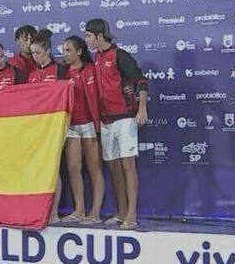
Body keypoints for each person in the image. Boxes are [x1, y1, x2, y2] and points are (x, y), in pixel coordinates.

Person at [84, 18, 148, 230]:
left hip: (125, 117)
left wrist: (142, 109)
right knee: (114, 167)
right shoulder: (96, 58)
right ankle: (121, 212)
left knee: (128, 165)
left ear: (99, 36)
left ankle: (132, 215)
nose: (87, 40)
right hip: (106, 121)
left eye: (89, 36)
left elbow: (140, 80)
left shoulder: (120, 55)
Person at [27, 29, 70, 223]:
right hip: (35, 127)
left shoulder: (60, 70)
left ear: (48, 51)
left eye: (38, 53)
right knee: (38, 169)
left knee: (53, 168)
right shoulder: (32, 73)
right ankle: (38, 210)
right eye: (33, 53)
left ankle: (54, 212)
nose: (35, 57)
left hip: (53, 128)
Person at [61, 35, 104, 225]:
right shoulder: (62, 73)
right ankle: (79, 210)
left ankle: (95, 212)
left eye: (68, 50)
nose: (65, 54)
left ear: (79, 51)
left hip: (89, 124)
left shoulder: (91, 69)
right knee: (73, 168)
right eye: (63, 50)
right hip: (71, 125)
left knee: (94, 168)